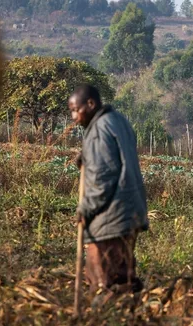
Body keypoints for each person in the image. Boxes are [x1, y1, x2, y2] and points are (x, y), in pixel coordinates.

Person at [68, 85, 148, 297]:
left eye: (76, 110)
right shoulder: (117, 120)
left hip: (111, 218)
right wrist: (87, 154)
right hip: (130, 213)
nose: (74, 117)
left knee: (104, 281)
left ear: (91, 104)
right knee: (123, 277)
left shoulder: (98, 131)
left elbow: (101, 180)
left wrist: (85, 209)